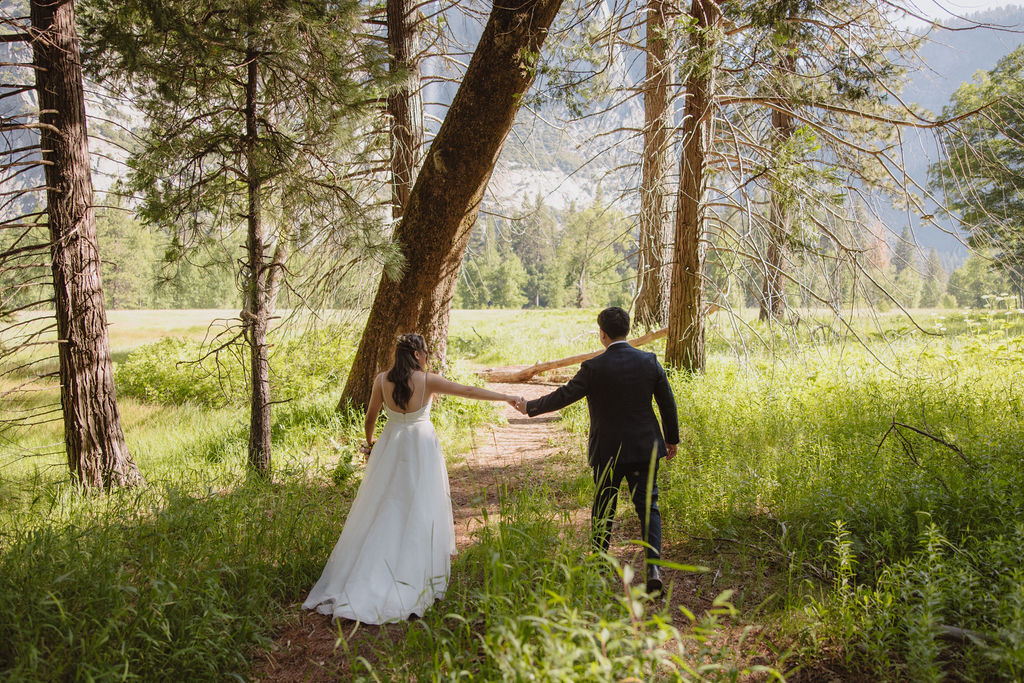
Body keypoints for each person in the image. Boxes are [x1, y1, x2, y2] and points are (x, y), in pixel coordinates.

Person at [303, 333, 523, 624]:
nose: (428, 356)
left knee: (384, 504)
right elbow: (468, 391)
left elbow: (371, 416)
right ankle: (412, 570)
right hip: (420, 447)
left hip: (390, 445)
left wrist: (369, 445)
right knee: (420, 505)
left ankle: (372, 565)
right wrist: (506, 396)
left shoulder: (382, 379)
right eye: (426, 352)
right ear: (418, 355)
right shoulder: (427, 379)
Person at [515, 307, 678, 594]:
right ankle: (653, 568)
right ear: (627, 330)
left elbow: (564, 395)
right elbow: (667, 402)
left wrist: (531, 406)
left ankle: (601, 565)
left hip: (608, 451)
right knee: (648, 507)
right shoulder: (649, 361)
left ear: (602, 334)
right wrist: (671, 439)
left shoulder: (594, 368)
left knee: (604, 506)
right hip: (645, 448)